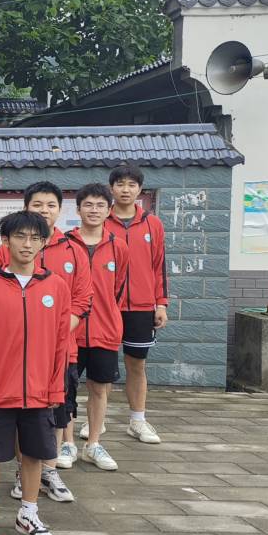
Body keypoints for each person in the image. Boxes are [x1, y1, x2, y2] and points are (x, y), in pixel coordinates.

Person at [0, 211, 71, 535]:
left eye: (35, 238)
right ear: (5, 241)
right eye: (20, 237)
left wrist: (56, 387)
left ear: (44, 243)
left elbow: (61, 342)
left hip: (40, 391)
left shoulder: (56, 286)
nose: (27, 244)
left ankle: (29, 513)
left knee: (34, 453)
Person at [0, 182, 89, 503]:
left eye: (51, 205)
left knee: (55, 414)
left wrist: (54, 334)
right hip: (16, 354)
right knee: (22, 414)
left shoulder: (74, 249)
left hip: (60, 352)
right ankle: (24, 472)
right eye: (37, 204)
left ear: (60, 209)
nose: (44, 210)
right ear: (26, 207)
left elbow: (81, 300)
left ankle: (49, 471)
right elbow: (0, 294)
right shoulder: (7, 248)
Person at [68, 183, 130, 472]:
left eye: (100, 205)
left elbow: (118, 290)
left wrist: (106, 315)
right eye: (88, 205)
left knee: (99, 389)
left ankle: (93, 443)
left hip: (105, 331)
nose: (94, 210)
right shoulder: (65, 244)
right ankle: (67, 443)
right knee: (65, 390)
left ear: (109, 210)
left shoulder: (119, 246)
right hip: (70, 332)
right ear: (78, 208)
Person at [105, 164, 168, 445]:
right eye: (120, 184)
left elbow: (159, 267)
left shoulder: (152, 224)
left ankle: (137, 421)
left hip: (142, 307)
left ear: (140, 189)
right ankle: (97, 421)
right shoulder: (102, 221)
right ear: (111, 188)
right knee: (103, 367)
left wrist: (161, 304)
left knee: (137, 365)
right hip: (107, 307)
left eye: (131, 184)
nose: (125, 189)